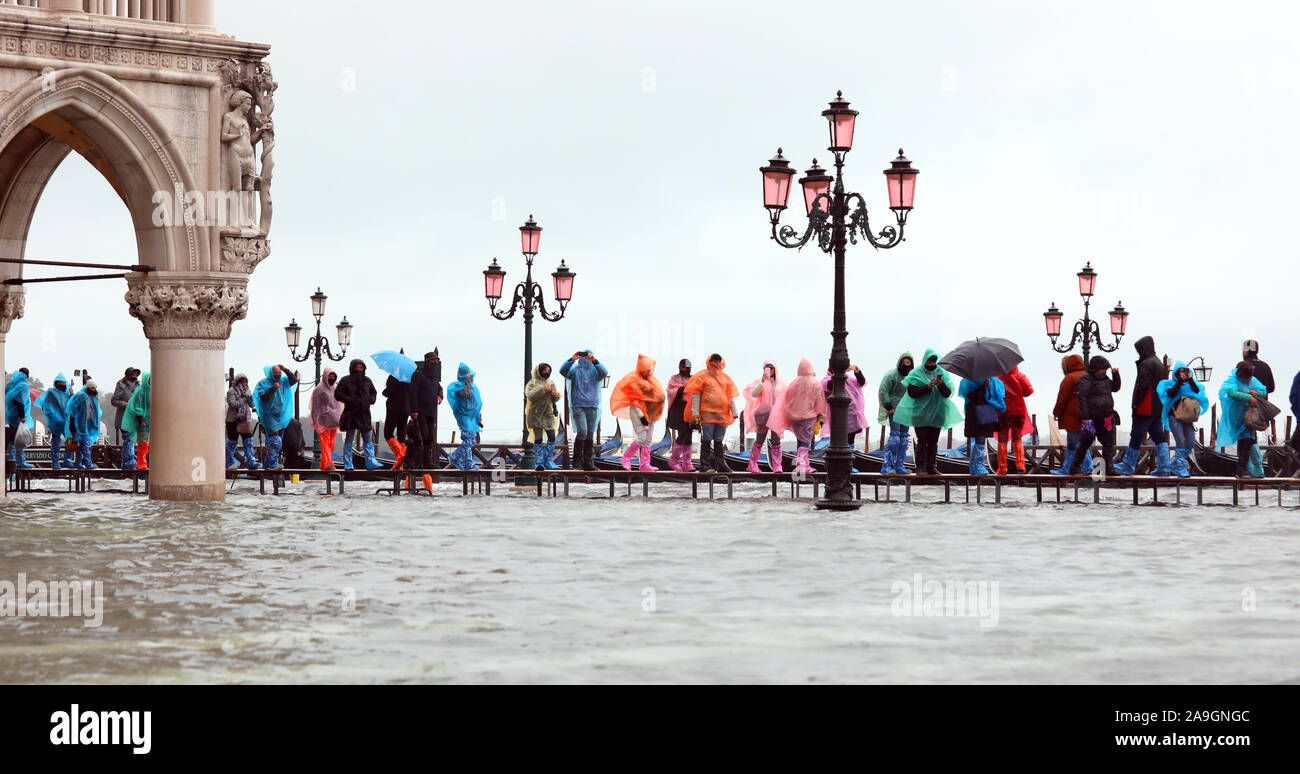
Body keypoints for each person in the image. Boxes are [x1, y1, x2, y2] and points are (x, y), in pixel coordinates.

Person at [891, 349, 962, 475]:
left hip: (937, 412)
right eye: (929, 361)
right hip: (920, 414)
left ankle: (932, 467)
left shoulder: (942, 372)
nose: (932, 364)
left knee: (933, 441)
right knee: (922, 440)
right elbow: (912, 393)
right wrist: (927, 387)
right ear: (925, 360)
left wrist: (940, 385)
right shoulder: (915, 373)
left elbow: (947, 393)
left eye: (934, 361)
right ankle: (920, 467)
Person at [1114, 336, 1172, 476]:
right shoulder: (1158, 363)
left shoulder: (1147, 363)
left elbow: (1143, 385)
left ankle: (1128, 465)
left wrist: (1135, 403)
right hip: (1157, 407)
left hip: (1145, 406)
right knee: (1159, 436)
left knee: (1136, 434)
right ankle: (1164, 467)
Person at [1063, 356, 1122, 477]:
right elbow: (1082, 398)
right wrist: (1085, 417)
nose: (1104, 372)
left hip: (1106, 418)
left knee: (1108, 444)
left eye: (1105, 370)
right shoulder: (1085, 379)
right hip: (1091, 419)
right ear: (1096, 369)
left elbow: (1115, 388)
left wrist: (1116, 375)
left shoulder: (1106, 379)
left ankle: (1109, 469)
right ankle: (1074, 468)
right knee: (1084, 444)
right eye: (1103, 369)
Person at [684, 354, 741, 473]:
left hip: (722, 415)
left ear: (721, 362)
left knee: (719, 440)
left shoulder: (726, 378)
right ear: (710, 362)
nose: (717, 364)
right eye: (714, 361)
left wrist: (734, 412)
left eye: (718, 361)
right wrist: (695, 414)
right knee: (707, 439)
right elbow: (696, 397)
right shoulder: (702, 376)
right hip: (707, 414)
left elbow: (730, 396)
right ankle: (705, 465)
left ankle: (721, 464)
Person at [611, 354, 667, 472]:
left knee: (648, 440)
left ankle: (645, 464)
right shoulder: (634, 381)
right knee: (641, 438)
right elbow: (635, 402)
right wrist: (642, 418)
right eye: (647, 369)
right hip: (639, 413)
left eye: (650, 369)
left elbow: (658, 395)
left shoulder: (652, 381)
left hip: (651, 413)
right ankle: (626, 458)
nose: (649, 371)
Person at [559, 349, 609, 472]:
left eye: (588, 356)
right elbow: (563, 371)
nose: (585, 358)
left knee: (590, 435)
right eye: (584, 356)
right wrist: (572, 359)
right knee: (582, 432)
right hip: (578, 405)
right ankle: (577, 463)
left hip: (593, 405)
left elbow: (604, 372)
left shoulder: (596, 371)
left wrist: (595, 360)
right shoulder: (575, 370)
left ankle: (588, 463)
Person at [775, 358, 827, 474]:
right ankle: (803, 466)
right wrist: (820, 416)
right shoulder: (815, 383)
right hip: (808, 416)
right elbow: (820, 402)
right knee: (805, 441)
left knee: (800, 440)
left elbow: (786, 399)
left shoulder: (794, 383)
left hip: (794, 418)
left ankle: (801, 464)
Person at [1158, 360, 1209, 478]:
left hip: (1187, 418)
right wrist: (1180, 381)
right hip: (1174, 416)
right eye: (1180, 372)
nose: (1183, 374)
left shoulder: (1191, 384)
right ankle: (1181, 469)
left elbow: (1197, 391)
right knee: (1180, 442)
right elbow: (1171, 394)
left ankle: (1171, 464)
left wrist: (1190, 379)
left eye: (1185, 371)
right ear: (1176, 373)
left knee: (1190, 442)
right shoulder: (1170, 384)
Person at [1218, 361, 1269, 479]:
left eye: (1251, 376)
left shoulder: (1252, 380)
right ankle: (1241, 471)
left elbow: (1264, 391)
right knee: (1243, 443)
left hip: (1250, 417)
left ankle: (1252, 471)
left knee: (1250, 442)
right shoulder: (1232, 380)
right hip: (1237, 417)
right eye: (1247, 377)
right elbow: (1231, 392)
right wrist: (1248, 397)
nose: (1249, 379)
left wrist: (1256, 392)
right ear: (1241, 374)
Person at [333, 359, 382, 471]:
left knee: (368, 439)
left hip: (364, 413)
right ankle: (348, 464)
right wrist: (349, 400)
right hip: (351, 413)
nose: (359, 369)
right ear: (352, 368)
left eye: (361, 367)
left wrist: (370, 400)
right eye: (357, 367)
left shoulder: (367, 381)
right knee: (349, 439)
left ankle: (370, 462)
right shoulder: (345, 380)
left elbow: (373, 392)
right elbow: (337, 393)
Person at [1051, 355, 1094, 476]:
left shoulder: (1069, 378)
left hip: (1072, 417)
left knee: (1077, 442)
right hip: (1087, 415)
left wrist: (1056, 413)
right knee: (1071, 443)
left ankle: (1088, 467)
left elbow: (1062, 398)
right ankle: (1067, 468)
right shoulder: (1088, 376)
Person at [743, 360, 786, 473]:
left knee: (776, 441)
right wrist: (762, 382)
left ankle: (777, 465)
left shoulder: (780, 383)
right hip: (762, 416)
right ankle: (752, 464)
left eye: (771, 368)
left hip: (776, 416)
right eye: (766, 368)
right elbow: (753, 394)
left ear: (775, 369)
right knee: (760, 440)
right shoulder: (759, 382)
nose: (769, 371)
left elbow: (785, 399)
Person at [958, 375, 1005, 476]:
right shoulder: (968, 381)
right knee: (980, 439)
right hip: (975, 414)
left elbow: (994, 397)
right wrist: (982, 387)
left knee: (981, 439)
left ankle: (975, 467)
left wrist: (987, 387)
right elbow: (970, 396)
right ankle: (978, 467)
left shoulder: (993, 380)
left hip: (986, 413)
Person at [253, 365, 297, 472]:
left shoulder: (283, 381)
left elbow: (294, 380)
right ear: (270, 373)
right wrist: (273, 389)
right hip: (269, 415)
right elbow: (262, 398)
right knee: (275, 440)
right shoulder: (263, 384)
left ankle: (269, 463)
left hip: (281, 416)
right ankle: (272, 464)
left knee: (279, 441)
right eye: (275, 373)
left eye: (279, 373)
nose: (278, 375)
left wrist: (285, 369)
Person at [877, 352, 914, 475]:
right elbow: (883, 390)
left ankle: (899, 465)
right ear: (900, 362)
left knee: (904, 439)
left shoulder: (911, 377)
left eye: (909, 363)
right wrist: (888, 405)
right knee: (895, 438)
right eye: (905, 362)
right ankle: (886, 466)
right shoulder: (892, 375)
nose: (906, 365)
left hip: (906, 410)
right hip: (894, 409)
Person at [407, 352, 444, 470]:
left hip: (431, 410)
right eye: (432, 361)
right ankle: (409, 458)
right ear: (427, 362)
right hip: (420, 410)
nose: (434, 363)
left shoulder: (434, 377)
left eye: (436, 361)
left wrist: (440, 395)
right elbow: (412, 394)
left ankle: (427, 462)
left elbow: (440, 388)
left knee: (429, 438)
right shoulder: (418, 375)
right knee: (422, 435)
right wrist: (413, 410)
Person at [995, 366, 1034, 475]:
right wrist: (1019, 393)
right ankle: (1020, 464)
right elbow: (1029, 391)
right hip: (1018, 411)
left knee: (1002, 439)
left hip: (1003, 412)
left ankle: (1002, 468)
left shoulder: (998, 377)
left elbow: (994, 394)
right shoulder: (1020, 375)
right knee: (1017, 438)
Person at [821, 364, 869, 451]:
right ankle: (844, 452)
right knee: (842, 434)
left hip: (853, 411)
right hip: (839, 414)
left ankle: (851, 449)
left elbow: (861, 382)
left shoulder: (849, 379)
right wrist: (840, 374)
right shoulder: (827, 380)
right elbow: (829, 386)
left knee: (852, 433)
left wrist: (857, 372)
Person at [525, 363, 562, 471]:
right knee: (538, 439)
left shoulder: (551, 382)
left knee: (552, 437)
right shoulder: (532, 383)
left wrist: (556, 395)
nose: (547, 372)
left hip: (548, 414)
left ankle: (548, 460)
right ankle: (539, 463)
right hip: (536, 414)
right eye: (545, 370)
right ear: (539, 371)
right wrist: (543, 389)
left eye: (548, 370)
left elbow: (554, 399)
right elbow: (530, 396)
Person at [448, 362, 483, 470]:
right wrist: (467, 382)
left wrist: (479, 418)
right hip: (464, 416)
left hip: (472, 418)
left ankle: (457, 458)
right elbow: (464, 394)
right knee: (468, 439)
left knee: (472, 440)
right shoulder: (457, 386)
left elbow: (476, 404)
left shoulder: (472, 387)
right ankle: (466, 461)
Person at [35, 373, 72, 471]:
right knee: (56, 443)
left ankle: (67, 461)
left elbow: (72, 404)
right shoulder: (51, 393)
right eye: (60, 383)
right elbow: (46, 407)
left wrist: (72, 394)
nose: (62, 385)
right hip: (55, 422)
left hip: (65, 421)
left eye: (63, 383)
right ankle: (55, 463)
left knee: (71, 440)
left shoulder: (67, 393)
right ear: (56, 384)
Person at [664, 359, 696, 472]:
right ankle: (675, 460)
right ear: (679, 368)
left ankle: (687, 463)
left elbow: (696, 394)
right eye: (683, 368)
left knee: (688, 435)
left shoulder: (693, 379)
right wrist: (682, 389)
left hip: (690, 410)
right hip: (678, 410)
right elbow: (669, 391)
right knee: (683, 433)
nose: (685, 370)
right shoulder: (674, 378)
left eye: (687, 368)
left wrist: (696, 415)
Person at [309, 367, 344, 471]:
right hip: (323, 420)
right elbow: (315, 406)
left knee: (330, 443)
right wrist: (315, 420)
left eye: (333, 376)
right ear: (325, 376)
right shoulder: (319, 389)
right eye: (330, 376)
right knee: (324, 443)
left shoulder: (336, 388)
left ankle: (324, 465)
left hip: (334, 421)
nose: (332, 378)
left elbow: (340, 404)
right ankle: (329, 463)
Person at [65, 380, 102, 470]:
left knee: (81, 446)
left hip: (87, 425)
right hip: (81, 425)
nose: (93, 390)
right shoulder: (83, 396)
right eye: (92, 388)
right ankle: (88, 464)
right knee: (86, 444)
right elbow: (77, 412)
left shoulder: (91, 396)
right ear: (88, 387)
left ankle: (78, 463)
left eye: (94, 388)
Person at [225, 373, 257, 471]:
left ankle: (251, 462)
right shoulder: (231, 391)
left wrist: (251, 398)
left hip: (245, 421)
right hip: (233, 421)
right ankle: (228, 462)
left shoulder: (247, 390)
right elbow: (233, 404)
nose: (244, 384)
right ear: (238, 381)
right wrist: (244, 399)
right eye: (243, 382)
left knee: (248, 441)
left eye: (246, 382)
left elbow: (252, 404)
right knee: (232, 442)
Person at [120, 372, 151, 471]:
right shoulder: (141, 391)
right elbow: (136, 407)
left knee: (143, 443)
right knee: (132, 441)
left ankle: (140, 463)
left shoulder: (151, 391)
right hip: (136, 421)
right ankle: (134, 464)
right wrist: (141, 419)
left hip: (145, 423)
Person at [5, 368, 34, 470]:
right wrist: (22, 416)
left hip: (11, 416)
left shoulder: (11, 384)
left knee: (13, 439)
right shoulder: (23, 386)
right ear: (27, 376)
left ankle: (12, 461)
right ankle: (18, 462)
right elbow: (20, 402)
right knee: (18, 439)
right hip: (18, 417)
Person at [382, 369, 410, 470]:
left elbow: (390, 391)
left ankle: (400, 454)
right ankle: (400, 464)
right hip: (406, 409)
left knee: (388, 433)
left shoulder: (393, 376)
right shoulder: (408, 378)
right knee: (401, 435)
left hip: (394, 408)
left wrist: (384, 392)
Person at [111, 367, 140, 444]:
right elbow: (113, 401)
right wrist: (125, 404)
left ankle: (126, 456)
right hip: (123, 419)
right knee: (129, 440)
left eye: (136, 375)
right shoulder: (121, 385)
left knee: (131, 442)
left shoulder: (138, 386)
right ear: (128, 375)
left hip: (135, 418)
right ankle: (129, 456)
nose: (135, 376)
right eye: (133, 374)